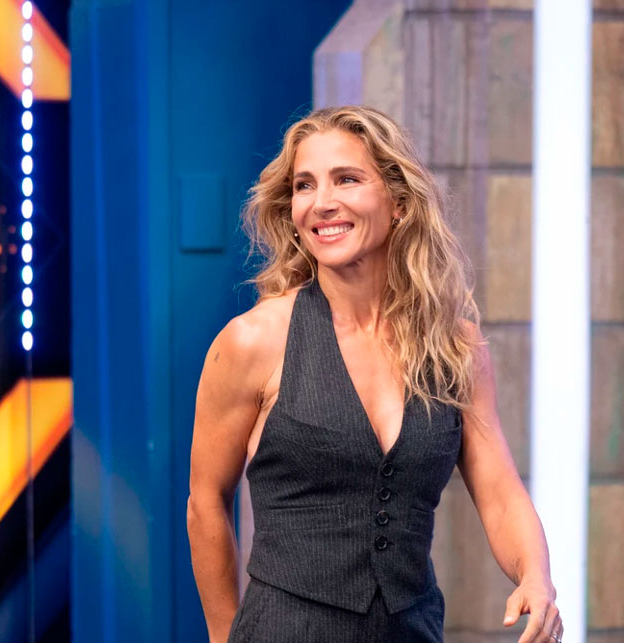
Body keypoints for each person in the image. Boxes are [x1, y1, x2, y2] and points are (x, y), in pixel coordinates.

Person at [187, 105, 561, 643]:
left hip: (412, 630)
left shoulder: (454, 345)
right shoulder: (253, 340)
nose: (322, 202)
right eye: (305, 185)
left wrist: (536, 576)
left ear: (399, 203)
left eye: (347, 179)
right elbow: (205, 503)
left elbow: (500, 492)